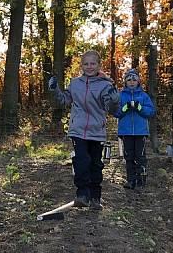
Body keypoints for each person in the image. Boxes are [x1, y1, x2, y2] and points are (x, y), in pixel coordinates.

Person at [48, 50, 120, 211]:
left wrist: (115, 100)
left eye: (93, 64)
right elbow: (64, 101)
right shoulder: (75, 83)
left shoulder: (105, 85)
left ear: (99, 65)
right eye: (86, 64)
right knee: (81, 161)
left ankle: (95, 197)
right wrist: (54, 91)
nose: (89, 67)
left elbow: (112, 109)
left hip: (97, 131)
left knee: (95, 164)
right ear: (81, 66)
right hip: (78, 130)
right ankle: (82, 195)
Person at [115, 68, 155, 191]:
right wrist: (125, 108)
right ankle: (131, 180)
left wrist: (139, 107)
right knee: (129, 157)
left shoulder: (143, 96)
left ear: (138, 81)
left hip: (140, 132)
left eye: (134, 79)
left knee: (140, 156)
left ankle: (141, 180)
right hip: (126, 132)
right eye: (129, 80)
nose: (131, 82)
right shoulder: (121, 96)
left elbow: (151, 111)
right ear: (125, 82)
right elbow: (116, 112)